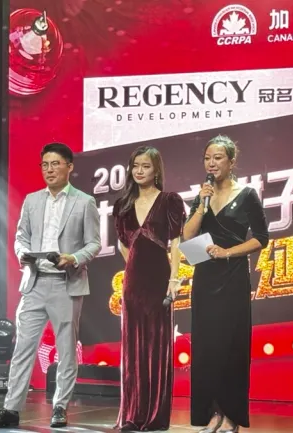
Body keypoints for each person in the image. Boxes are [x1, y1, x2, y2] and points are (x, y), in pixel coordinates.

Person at [0, 143, 101, 429]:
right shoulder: (32, 200)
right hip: (34, 282)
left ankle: (60, 406)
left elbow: (94, 243)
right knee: (22, 348)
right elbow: (21, 236)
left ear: (69, 166)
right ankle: (11, 409)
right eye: (45, 164)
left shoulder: (84, 202)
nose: (49, 169)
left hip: (65, 283)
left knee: (66, 349)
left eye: (55, 163)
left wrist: (73, 258)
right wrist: (22, 252)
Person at [182, 135, 269, 433]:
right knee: (206, 347)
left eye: (217, 158)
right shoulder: (202, 196)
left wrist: (228, 252)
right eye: (207, 158)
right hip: (205, 277)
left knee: (231, 346)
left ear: (232, 162)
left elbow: (261, 238)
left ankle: (231, 414)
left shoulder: (246, 195)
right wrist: (201, 207)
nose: (211, 163)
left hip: (232, 277)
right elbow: (187, 236)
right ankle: (212, 413)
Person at [112, 146, 185, 431]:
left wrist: (174, 278)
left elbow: (176, 242)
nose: (139, 171)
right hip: (133, 282)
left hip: (159, 279)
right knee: (133, 348)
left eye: (145, 166)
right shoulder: (122, 205)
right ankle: (132, 414)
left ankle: (154, 415)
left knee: (157, 345)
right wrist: (134, 266)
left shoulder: (169, 200)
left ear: (156, 170)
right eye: (135, 166)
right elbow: (123, 245)